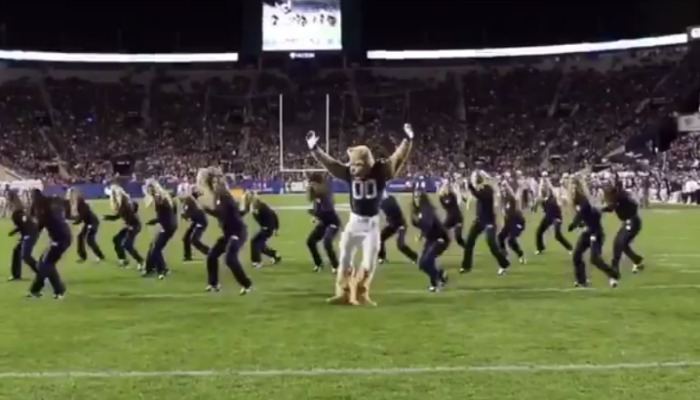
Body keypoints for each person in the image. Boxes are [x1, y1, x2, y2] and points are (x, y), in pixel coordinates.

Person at [306, 123, 414, 306]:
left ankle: (361, 294)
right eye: (352, 164)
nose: (354, 168)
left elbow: (398, 158)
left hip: (372, 224)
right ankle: (344, 292)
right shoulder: (349, 172)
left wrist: (408, 141)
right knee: (345, 256)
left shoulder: (381, 170)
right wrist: (315, 149)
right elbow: (331, 165)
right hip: (354, 222)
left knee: (369, 262)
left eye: (358, 163)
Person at [197, 167, 252, 294]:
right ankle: (213, 284)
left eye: (218, 183)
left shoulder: (225, 196)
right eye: (214, 183)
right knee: (212, 256)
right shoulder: (218, 197)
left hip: (237, 232)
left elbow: (222, 213)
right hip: (228, 234)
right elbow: (223, 214)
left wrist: (206, 209)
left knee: (230, 259)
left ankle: (247, 284)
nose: (216, 185)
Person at [567, 175, 620, 287]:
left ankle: (613, 275)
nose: (572, 190)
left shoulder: (584, 200)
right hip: (587, 232)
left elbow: (581, 214)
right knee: (576, 255)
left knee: (595, 259)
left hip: (596, 233)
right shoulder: (576, 202)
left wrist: (574, 224)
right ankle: (581, 281)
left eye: (574, 188)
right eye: (571, 188)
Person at [461, 170, 510, 275]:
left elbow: (478, 195)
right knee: (469, 242)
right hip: (479, 221)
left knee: (492, 244)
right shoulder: (482, 188)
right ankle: (466, 266)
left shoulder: (487, 190)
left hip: (489, 222)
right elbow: (474, 196)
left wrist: (469, 185)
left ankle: (504, 263)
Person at [27, 190, 71, 299]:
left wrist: (30, 236)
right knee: (47, 263)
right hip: (64, 237)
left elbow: (39, 226)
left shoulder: (43, 211)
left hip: (59, 240)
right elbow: (62, 201)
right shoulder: (50, 203)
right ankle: (58, 291)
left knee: (44, 264)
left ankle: (36, 291)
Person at [410, 190, 449, 292]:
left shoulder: (427, 210)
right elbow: (422, 226)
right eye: (415, 197)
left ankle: (435, 284)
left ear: (423, 198)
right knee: (422, 264)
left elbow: (428, 224)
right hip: (431, 239)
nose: (416, 199)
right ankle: (441, 275)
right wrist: (420, 234)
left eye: (418, 197)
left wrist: (419, 221)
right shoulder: (418, 211)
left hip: (440, 238)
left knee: (428, 261)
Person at [143, 179, 178, 279]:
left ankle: (161, 270)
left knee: (156, 249)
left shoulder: (159, 198)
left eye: (148, 187)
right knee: (154, 246)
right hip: (168, 225)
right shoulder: (163, 196)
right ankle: (151, 268)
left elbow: (162, 214)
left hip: (167, 226)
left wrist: (155, 221)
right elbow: (165, 213)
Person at [104, 184, 144, 269]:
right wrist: (107, 217)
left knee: (127, 245)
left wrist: (131, 226)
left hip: (134, 226)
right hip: (130, 225)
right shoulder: (122, 203)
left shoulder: (125, 203)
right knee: (116, 239)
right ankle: (123, 260)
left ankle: (141, 261)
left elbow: (133, 214)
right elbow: (118, 216)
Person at [306, 172, 340, 273]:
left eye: (314, 185)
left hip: (332, 222)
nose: (312, 187)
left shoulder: (325, 194)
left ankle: (336, 266)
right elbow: (319, 210)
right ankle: (318, 263)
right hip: (324, 222)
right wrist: (315, 216)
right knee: (310, 241)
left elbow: (327, 211)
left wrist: (315, 214)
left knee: (327, 242)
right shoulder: (316, 196)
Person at [242, 191, 282, 268]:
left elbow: (273, 215)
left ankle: (257, 261)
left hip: (268, 228)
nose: (248, 199)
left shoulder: (260, 206)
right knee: (260, 244)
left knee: (255, 242)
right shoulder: (253, 206)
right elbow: (243, 212)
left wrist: (276, 228)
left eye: (249, 197)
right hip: (265, 227)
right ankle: (275, 255)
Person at [66, 187, 105, 263]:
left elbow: (82, 215)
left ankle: (99, 256)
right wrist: (69, 219)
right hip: (87, 222)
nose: (71, 195)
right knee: (80, 237)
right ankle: (83, 256)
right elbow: (72, 216)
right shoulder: (72, 203)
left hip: (92, 222)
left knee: (89, 240)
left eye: (72, 194)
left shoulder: (80, 202)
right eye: (70, 194)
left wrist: (75, 222)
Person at [378, 191, 418, 264]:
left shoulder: (386, 202)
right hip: (393, 225)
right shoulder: (389, 199)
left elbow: (393, 214)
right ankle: (381, 257)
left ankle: (415, 257)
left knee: (400, 245)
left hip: (400, 225)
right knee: (380, 238)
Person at [8, 190, 38, 281]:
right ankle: (16, 275)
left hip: (29, 234)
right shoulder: (20, 209)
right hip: (31, 232)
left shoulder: (16, 212)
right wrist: (14, 232)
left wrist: (23, 236)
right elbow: (23, 224)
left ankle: (43, 272)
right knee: (18, 252)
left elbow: (24, 225)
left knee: (26, 256)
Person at [181, 192, 210, 261]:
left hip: (200, 221)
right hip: (195, 221)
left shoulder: (189, 201)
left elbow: (187, 215)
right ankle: (187, 256)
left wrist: (184, 215)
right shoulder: (188, 201)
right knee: (186, 238)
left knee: (194, 240)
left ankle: (210, 252)